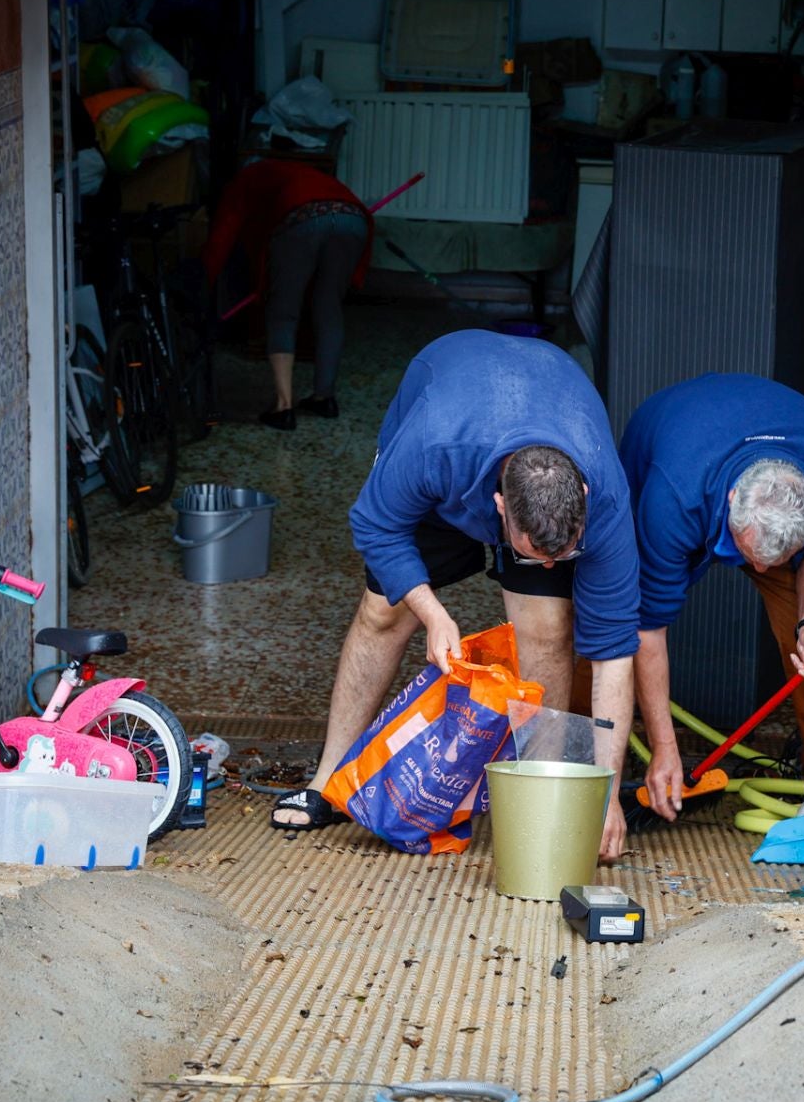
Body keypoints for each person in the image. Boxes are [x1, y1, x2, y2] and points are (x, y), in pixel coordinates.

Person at [270, 330, 642, 860]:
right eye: (536, 555)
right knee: (384, 611)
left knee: (548, 628)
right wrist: (432, 613)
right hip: (452, 433)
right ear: (498, 508)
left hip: (546, 416)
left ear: (583, 498)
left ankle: (544, 791)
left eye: (564, 555)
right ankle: (327, 781)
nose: (554, 568)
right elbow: (375, 525)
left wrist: (604, 793)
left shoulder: (603, 494)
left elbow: (613, 656)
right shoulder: (433, 444)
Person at [616, 373, 804, 847]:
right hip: (675, 461)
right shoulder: (672, 497)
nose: (757, 569)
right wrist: (665, 749)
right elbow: (647, 630)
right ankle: (582, 769)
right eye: (750, 554)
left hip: (758, 500)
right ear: (733, 500)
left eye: (771, 563)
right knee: (608, 622)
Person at [201, 158, 373, 430]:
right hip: (353, 218)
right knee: (329, 307)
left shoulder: (244, 180)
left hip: (302, 218)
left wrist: (203, 281)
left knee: (283, 312)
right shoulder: (300, 171)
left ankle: (283, 407)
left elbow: (224, 233)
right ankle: (324, 398)